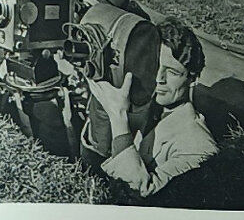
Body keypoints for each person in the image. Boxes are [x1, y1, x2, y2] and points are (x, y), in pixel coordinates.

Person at [88, 17, 217, 197]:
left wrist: (118, 118)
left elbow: (142, 195)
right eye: (155, 66)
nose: (159, 79)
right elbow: (98, 153)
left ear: (193, 79)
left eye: (172, 72)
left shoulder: (199, 147)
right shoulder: (144, 106)